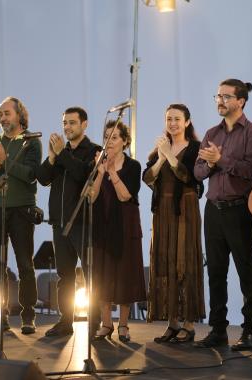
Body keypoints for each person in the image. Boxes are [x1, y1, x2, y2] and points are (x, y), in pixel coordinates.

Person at [194, 79, 252, 351]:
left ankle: (249, 331)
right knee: (216, 271)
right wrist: (211, 164)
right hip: (213, 210)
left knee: (246, 270)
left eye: (226, 96)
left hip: (239, 210)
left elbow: (248, 171)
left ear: (241, 101)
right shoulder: (212, 132)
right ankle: (218, 329)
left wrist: (219, 160)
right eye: (217, 96)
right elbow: (198, 172)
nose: (220, 101)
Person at [0, 96, 42, 335]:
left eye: (7, 113)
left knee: (25, 264)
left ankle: (28, 316)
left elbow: (31, 175)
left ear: (19, 114)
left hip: (21, 210)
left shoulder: (31, 141)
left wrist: (5, 162)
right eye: (0, 115)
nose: (3, 118)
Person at [143, 104, 205, 343]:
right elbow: (148, 178)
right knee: (165, 260)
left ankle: (188, 324)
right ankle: (172, 323)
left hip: (185, 209)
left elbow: (188, 176)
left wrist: (169, 155)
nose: (172, 123)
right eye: (169, 119)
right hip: (163, 211)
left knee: (185, 261)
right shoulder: (159, 149)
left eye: (177, 119)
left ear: (187, 122)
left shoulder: (196, 148)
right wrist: (160, 158)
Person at [37, 106, 100, 337]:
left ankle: (95, 323)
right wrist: (52, 158)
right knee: (65, 275)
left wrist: (62, 154)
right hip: (59, 223)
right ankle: (66, 321)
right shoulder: (60, 152)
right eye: (64, 123)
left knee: (91, 274)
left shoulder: (93, 150)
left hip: (82, 222)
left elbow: (83, 174)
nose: (67, 127)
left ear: (84, 124)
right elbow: (43, 179)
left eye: (72, 123)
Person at [91, 120, 146, 342]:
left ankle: (123, 325)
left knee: (125, 276)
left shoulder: (133, 166)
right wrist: (99, 172)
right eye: (106, 137)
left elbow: (125, 195)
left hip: (126, 226)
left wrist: (111, 172)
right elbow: (91, 197)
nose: (109, 141)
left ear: (124, 140)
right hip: (102, 225)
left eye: (114, 137)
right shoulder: (97, 164)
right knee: (102, 275)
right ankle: (106, 324)